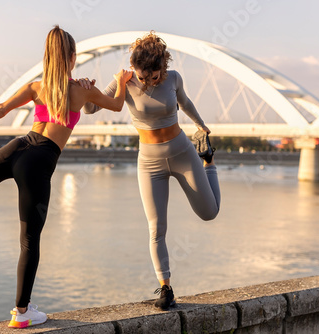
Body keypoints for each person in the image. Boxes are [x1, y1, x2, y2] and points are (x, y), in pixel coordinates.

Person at [0, 25, 132, 328]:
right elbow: (116, 104)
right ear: (73, 57)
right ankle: (22, 312)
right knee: (30, 240)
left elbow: (2, 108)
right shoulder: (81, 89)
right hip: (39, 161)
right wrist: (119, 80)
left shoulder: (37, 87)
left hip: (18, 146)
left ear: (47, 57)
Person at [82, 31, 221, 310]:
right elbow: (89, 109)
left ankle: (208, 162)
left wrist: (202, 126)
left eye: (154, 76)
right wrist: (87, 89)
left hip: (183, 152)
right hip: (149, 162)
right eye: (143, 77)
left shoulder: (174, 79)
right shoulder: (124, 80)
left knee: (209, 213)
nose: (148, 82)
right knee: (156, 228)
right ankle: (166, 287)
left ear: (163, 67)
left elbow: (186, 103)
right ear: (135, 68)